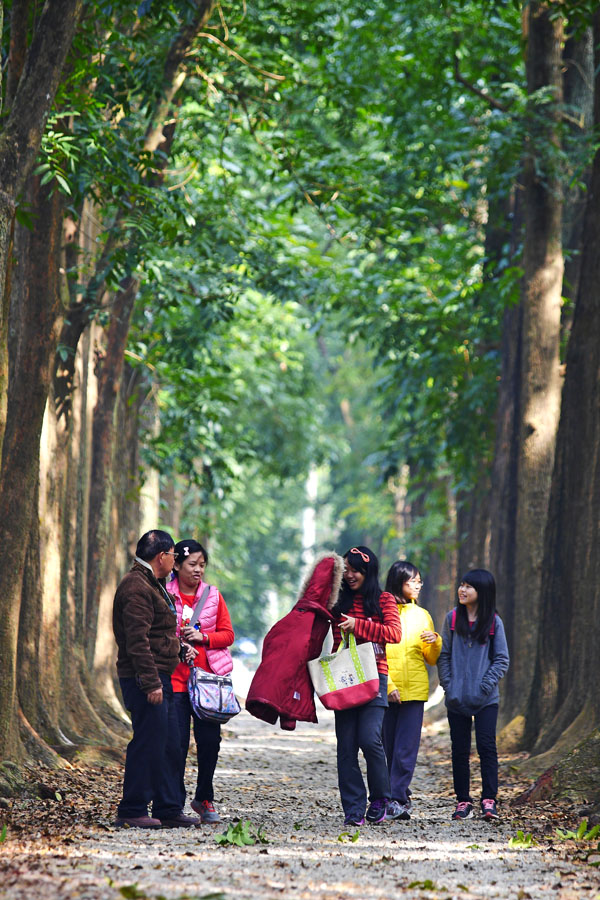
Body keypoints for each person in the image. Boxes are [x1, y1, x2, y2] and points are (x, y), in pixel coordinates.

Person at [112, 529, 200, 828]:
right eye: (174, 555)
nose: (175, 560)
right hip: (144, 677)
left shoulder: (153, 583)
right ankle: (132, 809)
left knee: (168, 744)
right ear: (161, 556)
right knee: (148, 743)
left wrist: (179, 649)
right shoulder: (136, 586)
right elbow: (137, 641)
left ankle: (168, 807)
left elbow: (158, 633)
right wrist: (150, 683)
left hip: (161, 672)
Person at [330, 546, 402, 826]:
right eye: (345, 569)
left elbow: (394, 634)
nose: (349, 575)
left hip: (375, 678)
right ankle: (353, 808)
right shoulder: (337, 601)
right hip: (344, 679)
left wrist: (358, 626)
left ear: (368, 571)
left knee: (370, 739)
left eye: (355, 569)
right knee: (346, 747)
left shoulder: (384, 600)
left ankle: (381, 798)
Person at [169, 539, 235, 824]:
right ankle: (173, 802)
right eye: (192, 565)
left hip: (208, 680)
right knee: (176, 743)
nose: (198, 571)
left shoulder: (213, 595)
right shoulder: (164, 594)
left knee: (210, 742)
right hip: (175, 679)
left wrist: (204, 638)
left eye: (202, 565)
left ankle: (204, 797)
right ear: (176, 565)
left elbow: (228, 635)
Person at [437, 568, 510, 821]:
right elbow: (443, 655)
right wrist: (449, 685)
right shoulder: (452, 619)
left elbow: (501, 659)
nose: (462, 590)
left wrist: (483, 686)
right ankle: (463, 801)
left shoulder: (493, 622)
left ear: (483, 592)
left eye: (469, 586)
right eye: (462, 584)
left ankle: (489, 800)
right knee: (459, 750)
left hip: (486, 700)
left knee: (487, 747)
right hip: (457, 699)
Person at [382, 560, 442, 821]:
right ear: (398, 583)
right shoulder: (382, 613)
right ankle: (393, 797)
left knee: (406, 749)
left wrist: (435, 642)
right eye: (412, 581)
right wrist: (388, 686)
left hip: (416, 691)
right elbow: (376, 652)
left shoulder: (423, 615)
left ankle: (396, 800)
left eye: (419, 581)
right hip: (385, 690)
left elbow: (430, 659)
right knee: (387, 748)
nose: (418, 585)